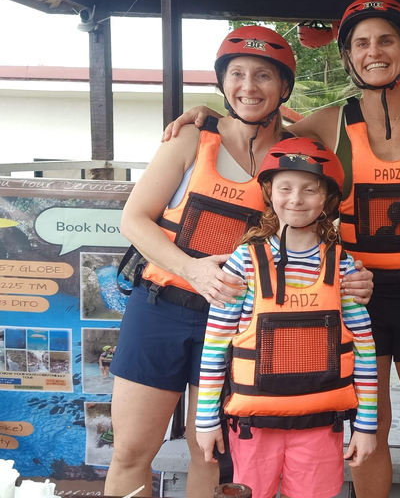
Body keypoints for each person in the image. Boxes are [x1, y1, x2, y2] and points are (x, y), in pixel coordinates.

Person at [164, 0, 400, 498]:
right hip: (348, 293)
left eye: (386, 40)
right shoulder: (325, 125)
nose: (375, 52)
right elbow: (258, 137)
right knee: (367, 437)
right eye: (361, 43)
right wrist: (207, 115)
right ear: (349, 56)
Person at [105, 26, 373, 498]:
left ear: (284, 87)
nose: (249, 87)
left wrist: (355, 278)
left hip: (239, 322)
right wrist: (193, 269)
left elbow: (323, 234)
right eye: (237, 75)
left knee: (209, 456)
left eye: (263, 76)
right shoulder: (190, 139)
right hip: (161, 308)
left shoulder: (295, 154)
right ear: (222, 83)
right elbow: (134, 220)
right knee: (130, 451)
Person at [195, 137, 377, 498]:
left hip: (321, 427)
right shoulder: (243, 262)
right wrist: (206, 420)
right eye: (286, 188)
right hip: (252, 429)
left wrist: (367, 424)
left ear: (325, 199)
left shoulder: (343, 266)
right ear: (268, 192)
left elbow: (364, 348)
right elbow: (215, 344)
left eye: (310, 189)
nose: (296, 199)